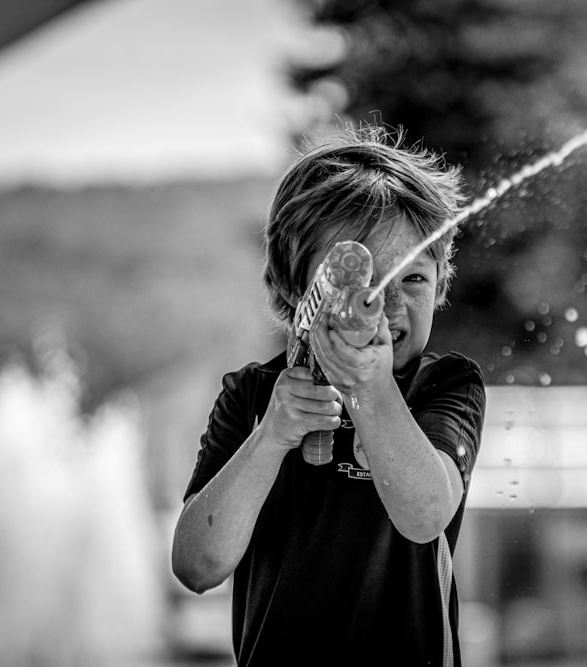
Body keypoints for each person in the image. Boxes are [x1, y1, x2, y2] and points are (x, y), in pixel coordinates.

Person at [171, 122, 486, 666]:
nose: (385, 304)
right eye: (361, 279)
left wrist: (372, 388)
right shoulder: (252, 396)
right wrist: (272, 436)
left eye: (414, 280)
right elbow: (198, 567)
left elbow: (425, 514)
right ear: (299, 287)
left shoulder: (445, 385)